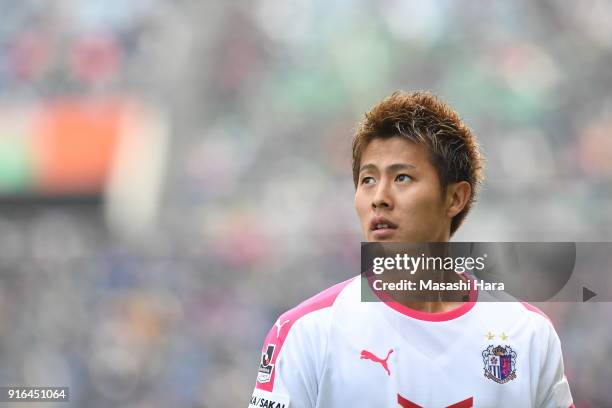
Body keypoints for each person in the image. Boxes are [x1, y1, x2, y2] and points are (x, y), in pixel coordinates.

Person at [249, 91, 574, 408]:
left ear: (455, 198)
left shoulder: (528, 335)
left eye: (402, 177)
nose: (380, 197)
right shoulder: (308, 333)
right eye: (367, 180)